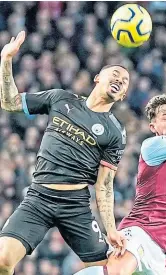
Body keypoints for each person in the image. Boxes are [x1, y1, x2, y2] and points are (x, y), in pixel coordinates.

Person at [0, 31, 130, 275]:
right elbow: (10, 102)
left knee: (110, 270)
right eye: (115, 74)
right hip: (38, 198)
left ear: (122, 95)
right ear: (97, 78)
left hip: (75, 206)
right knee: (2, 260)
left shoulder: (115, 131)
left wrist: (111, 229)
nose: (120, 80)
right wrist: (6, 59)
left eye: (124, 82)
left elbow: (104, 185)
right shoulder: (60, 99)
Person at [76, 94, 166, 275]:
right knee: (116, 273)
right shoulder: (153, 147)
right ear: (153, 127)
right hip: (139, 232)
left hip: (161, 249)